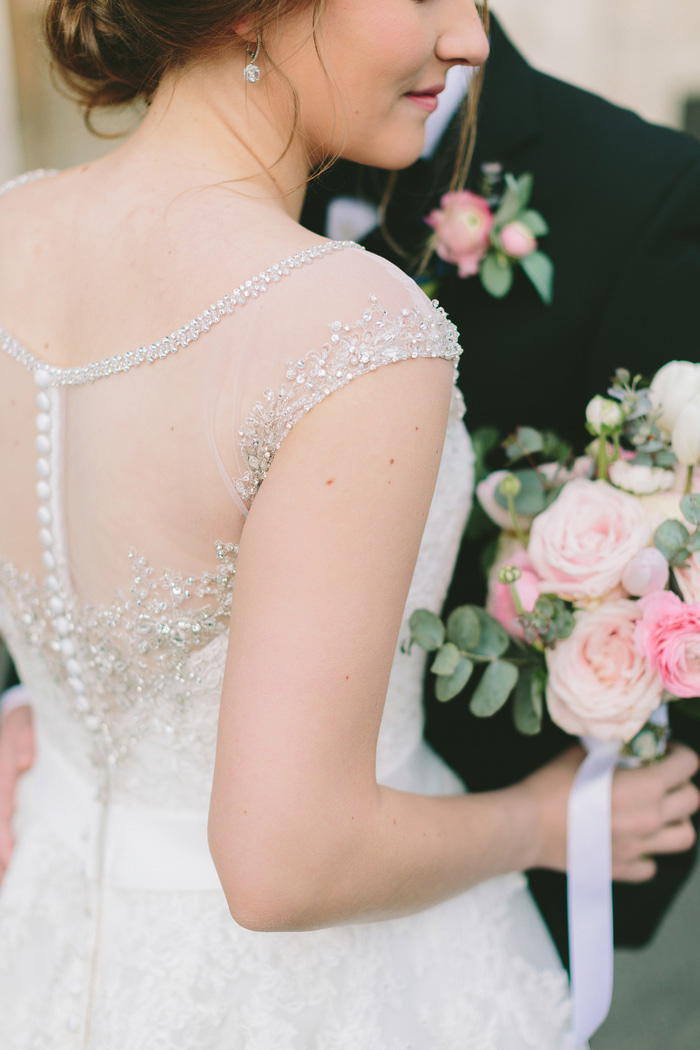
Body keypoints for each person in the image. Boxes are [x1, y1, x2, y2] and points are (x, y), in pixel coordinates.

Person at [0, 3, 698, 1048]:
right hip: (323, 989)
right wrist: (541, 823)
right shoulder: (360, 331)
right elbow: (288, 860)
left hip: (54, 939)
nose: (467, 38)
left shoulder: (15, 222)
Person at [302, 12, 700, 965]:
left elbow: (677, 563)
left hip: (485, 884)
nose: (465, 30)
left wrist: (566, 884)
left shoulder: (642, 188)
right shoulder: (215, 179)